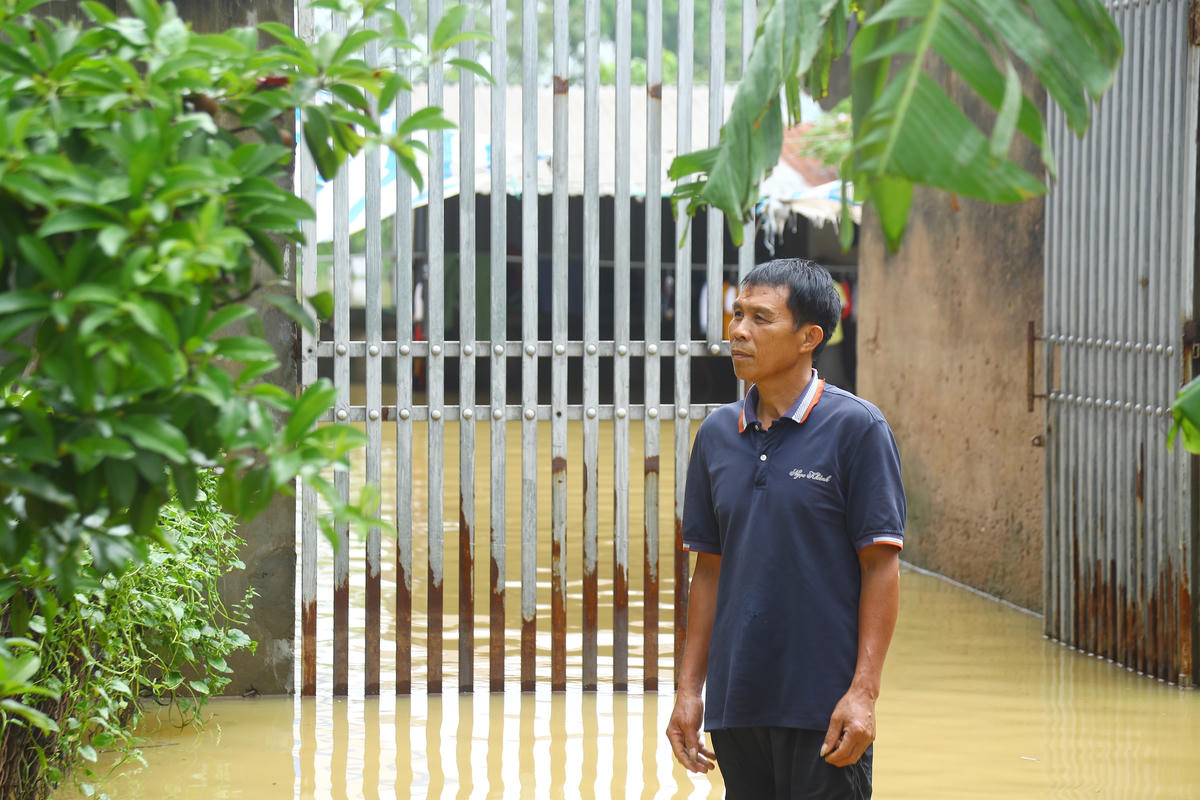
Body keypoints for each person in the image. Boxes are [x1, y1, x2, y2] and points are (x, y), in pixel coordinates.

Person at [665, 258, 905, 800]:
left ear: (808, 337)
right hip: (737, 706)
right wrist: (689, 692)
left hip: (825, 714)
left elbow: (881, 566)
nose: (738, 331)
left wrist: (863, 695)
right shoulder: (717, 435)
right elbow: (709, 572)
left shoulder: (858, 430)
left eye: (760, 319)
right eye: (737, 314)